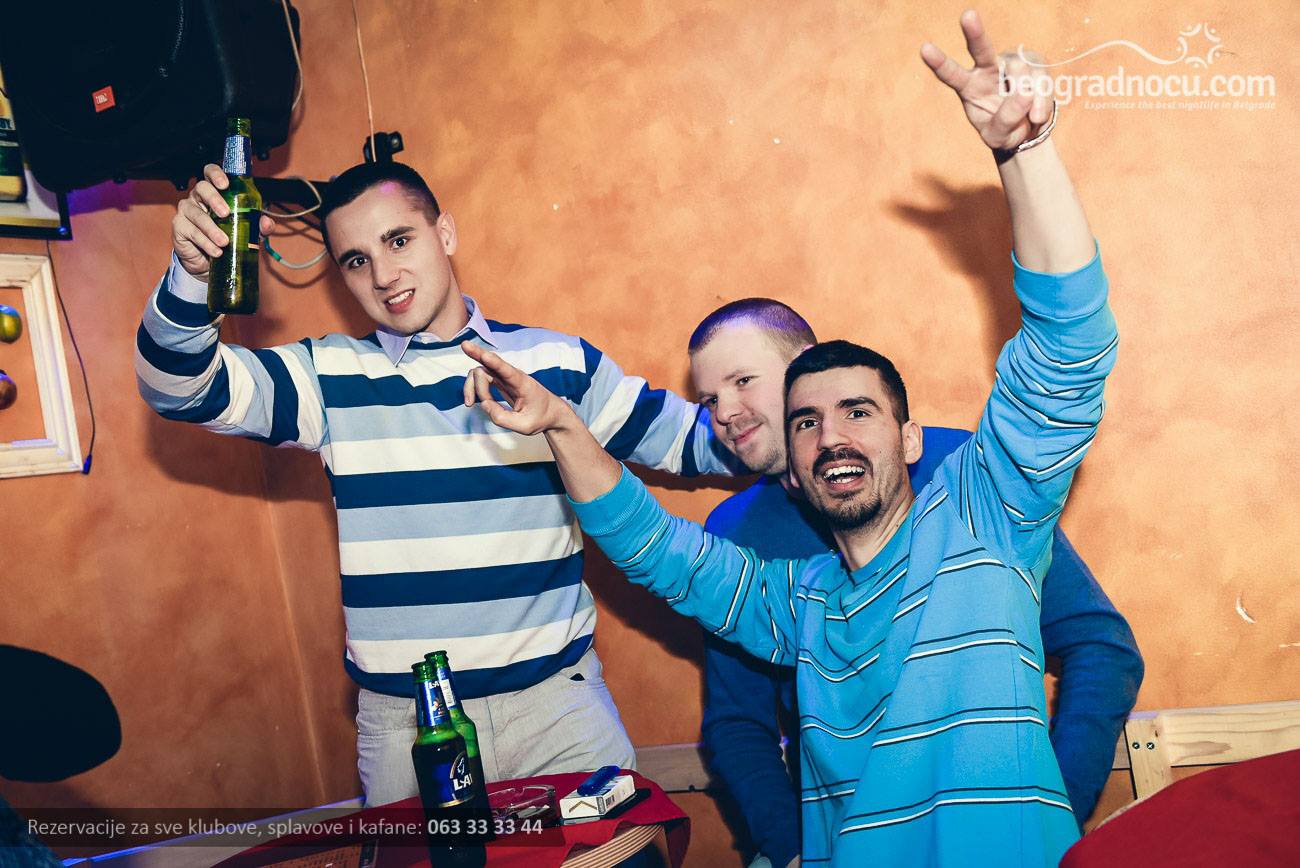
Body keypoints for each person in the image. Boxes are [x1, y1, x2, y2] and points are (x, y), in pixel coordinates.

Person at [459, 11, 1118, 864]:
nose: (830, 435)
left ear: (911, 440)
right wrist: (561, 426)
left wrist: (1026, 154)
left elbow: (1069, 347)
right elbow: (654, 547)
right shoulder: (795, 605)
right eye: (805, 421)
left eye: (858, 412)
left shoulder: (987, 522)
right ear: (796, 472)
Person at [134, 159, 738, 805]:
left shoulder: (556, 362)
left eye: (399, 240)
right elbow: (177, 387)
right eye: (357, 261)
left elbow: (696, 441)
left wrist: (797, 425)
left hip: (558, 715)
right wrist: (191, 275)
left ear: (444, 233)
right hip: (409, 731)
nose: (383, 275)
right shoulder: (327, 377)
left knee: (617, 852)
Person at [689, 299, 1143, 866]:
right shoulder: (733, 532)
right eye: (709, 399)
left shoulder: (959, 471)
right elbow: (737, 723)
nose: (726, 413)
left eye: (742, 381)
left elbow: (1101, 647)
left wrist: (1051, 815)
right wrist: (790, 849)